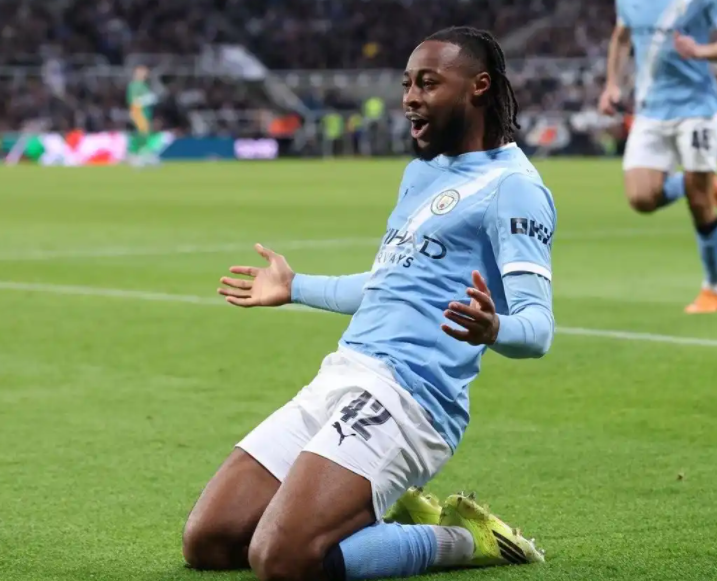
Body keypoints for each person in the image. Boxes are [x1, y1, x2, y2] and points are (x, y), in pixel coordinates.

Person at [183, 26, 554, 580]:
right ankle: (384, 510)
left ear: (478, 87)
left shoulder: (514, 187)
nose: (410, 98)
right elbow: (387, 284)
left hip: (409, 399)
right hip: (342, 374)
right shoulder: (422, 173)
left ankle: (465, 540)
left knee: (281, 560)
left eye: (428, 83)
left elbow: (538, 327)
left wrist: (494, 327)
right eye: (407, 84)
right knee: (209, 542)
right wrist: (294, 286)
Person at [599, 0, 717, 314]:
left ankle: (714, 288)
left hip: (697, 109)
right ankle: (698, 181)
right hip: (650, 111)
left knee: (700, 203)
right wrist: (612, 84)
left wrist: (701, 51)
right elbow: (621, 37)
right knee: (641, 198)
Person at [126, 65, 159, 166]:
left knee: (146, 133)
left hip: (145, 113)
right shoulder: (134, 85)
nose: (145, 74)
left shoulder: (144, 85)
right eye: (143, 72)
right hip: (138, 112)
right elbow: (134, 101)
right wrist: (147, 99)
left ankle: (144, 155)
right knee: (142, 133)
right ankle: (136, 155)